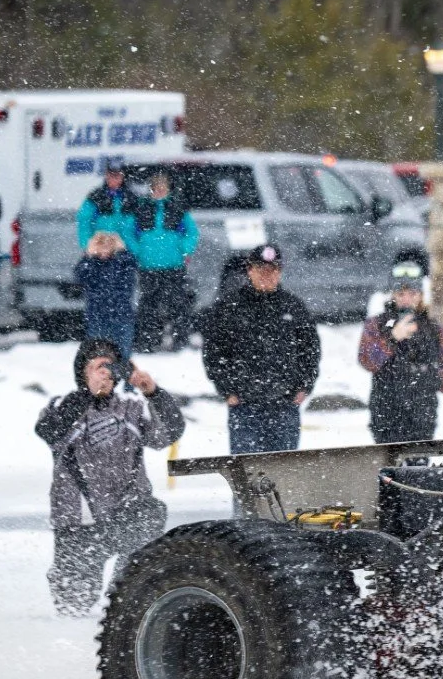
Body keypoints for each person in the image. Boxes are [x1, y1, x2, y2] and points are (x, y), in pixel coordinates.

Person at [35, 340, 184, 615]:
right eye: (97, 367)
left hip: (126, 512)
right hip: (80, 520)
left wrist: (154, 393)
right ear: (83, 374)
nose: (105, 373)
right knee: (73, 603)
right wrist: (86, 395)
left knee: (150, 514)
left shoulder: (132, 409)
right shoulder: (62, 406)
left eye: (110, 366)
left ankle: (127, 594)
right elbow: (48, 431)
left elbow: (170, 433)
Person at [201, 243, 320, 454]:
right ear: (249, 270)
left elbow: (310, 350)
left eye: (272, 270)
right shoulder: (229, 307)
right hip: (244, 406)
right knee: (247, 475)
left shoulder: (294, 307)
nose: (267, 275)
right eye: (260, 269)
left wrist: (305, 386)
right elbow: (213, 352)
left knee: (284, 474)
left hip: (285, 406)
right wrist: (226, 389)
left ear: (280, 272)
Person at [360, 261, 443, 444]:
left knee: (419, 470)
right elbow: (367, 360)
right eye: (401, 293)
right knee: (388, 470)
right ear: (393, 294)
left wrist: (430, 378)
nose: (406, 299)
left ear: (421, 295)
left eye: (412, 293)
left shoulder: (433, 329)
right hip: (386, 415)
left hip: (422, 417)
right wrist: (392, 338)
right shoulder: (377, 324)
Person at [130, 170, 200, 351]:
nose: (159, 191)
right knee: (148, 306)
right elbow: (128, 233)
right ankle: (148, 341)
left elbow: (191, 232)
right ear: (151, 190)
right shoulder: (141, 208)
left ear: (168, 189)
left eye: (163, 188)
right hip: (148, 266)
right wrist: (138, 250)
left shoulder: (178, 208)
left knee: (178, 303)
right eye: (156, 188)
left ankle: (180, 341)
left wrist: (185, 249)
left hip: (173, 265)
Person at [74, 232, 139, 364]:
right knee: (97, 353)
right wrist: (90, 259)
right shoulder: (90, 264)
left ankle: (128, 382)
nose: (104, 250)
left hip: (120, 314)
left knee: (123, 352)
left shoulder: (124, 262)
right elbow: (80, 276)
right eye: (101, 246)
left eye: (107, 246)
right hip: (97, 314)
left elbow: (127, 285)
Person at [75, 157, 137, 250]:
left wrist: (135, 250)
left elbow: (138, 228)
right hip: (101, 250)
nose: (114, 179)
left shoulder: (132, 198)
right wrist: (87, 245)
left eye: (117, 176)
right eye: (111, 175)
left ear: (123, 176)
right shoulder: (95, 197)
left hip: (125, 250)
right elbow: (84, 222)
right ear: (106, 175)